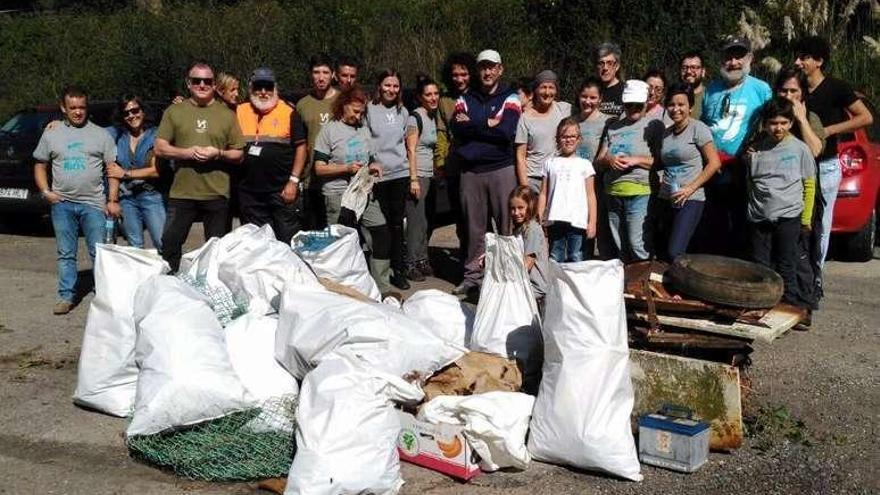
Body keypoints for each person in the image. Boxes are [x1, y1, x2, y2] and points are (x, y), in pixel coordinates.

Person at [33, 85, 121, 314]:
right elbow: (40, 165)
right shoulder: (51, 132)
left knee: (99, 252)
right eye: (72, 107)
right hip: (62, 204)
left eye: (82, 107)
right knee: (66, 253)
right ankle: (66, 296)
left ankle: (105, 295)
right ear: (63, 108)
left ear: (86, 107)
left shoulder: (102, 135)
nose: (78, 112)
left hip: (93, 204)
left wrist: (112, 199)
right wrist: (46, 192)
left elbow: (112, 169)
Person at [154, 62, 245, 272]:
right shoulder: (174, 111)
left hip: (216, 193)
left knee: (216, 251)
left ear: (214, 85)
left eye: (207, 81)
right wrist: (185, 152)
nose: (202, 85)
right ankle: (169, 288)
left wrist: (218, 153)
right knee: (170, 243)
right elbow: (160, 147)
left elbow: (239, 154)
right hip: (182, 193)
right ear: (188, 83)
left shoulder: (227, 114)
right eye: (197, 80)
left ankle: (212, 291)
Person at [794, 35, 874, 276]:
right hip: (797, 165)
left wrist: (829, 130)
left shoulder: (837, 87)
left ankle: (814, 275)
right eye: (797, 57)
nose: (798, 62)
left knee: (820, 223)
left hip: (826, 165)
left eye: (804, 57)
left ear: (819, 61)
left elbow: (865, 117)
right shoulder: (797, 87)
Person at [450, 49, 522, 296]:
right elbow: (458, 130)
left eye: (492, 67)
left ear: (500, 69)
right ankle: (472, 277)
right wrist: (488, 124)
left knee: (506, 226)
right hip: (471, 172)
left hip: (502, 169)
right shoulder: (465, 98)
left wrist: (474, 125)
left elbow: (506, 132)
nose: (487, 72)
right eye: (483, 68)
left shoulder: (510, 98)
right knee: (474, 228)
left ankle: (506, 276)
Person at [312, 86, 393, 295]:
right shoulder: (329, 130)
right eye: (355, 111)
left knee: (381, 233)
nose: (358, 116)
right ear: (343, 106)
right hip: (338, 193)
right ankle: (340, 288)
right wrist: (346, 168)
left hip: (363, 192)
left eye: (361, 112)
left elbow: (370, 157)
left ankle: (382, 287)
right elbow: (319, 168)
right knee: (341, 243)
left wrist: (375, 166)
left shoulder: (363, 129)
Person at [700, 36, 772, 256]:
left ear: (749, 58)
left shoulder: (761, 89)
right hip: (712, 167)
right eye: (728, 57)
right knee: (714, 224)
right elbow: (704, 125)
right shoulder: (711, 90)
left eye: (739, 56)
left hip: (741, 168)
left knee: (739, 225)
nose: (733, 62)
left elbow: (772, 122)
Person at [745, 98, 817, 311]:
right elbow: (751, 183)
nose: (778, 128)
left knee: (786, 264)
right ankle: (762, 307)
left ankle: (789, 307)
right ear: (765, 124)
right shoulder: (756, 150)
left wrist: (806, 218)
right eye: (773, 123)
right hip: (759, 217)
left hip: (789, 217)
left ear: (791, 123)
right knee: (760, 266)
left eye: (783, 123)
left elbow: (809, 184)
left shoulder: (800, 149)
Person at [774, 67, 827, 316]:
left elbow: (816, 149)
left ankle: (804, 304)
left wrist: (802, 119)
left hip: (803, 196)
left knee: (801, 253)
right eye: (783, 90)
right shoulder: (769, 117)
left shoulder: (811, 118)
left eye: (793, 91)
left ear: (802, 94)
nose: (788, 95)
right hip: (775, 198)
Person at [594, 79, 664, 262]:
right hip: (613, 191)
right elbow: (599, 160)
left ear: (646, 103)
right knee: (620, 244)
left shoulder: (654, 126)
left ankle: (645, 280)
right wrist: (609, 159)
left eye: (637, 105)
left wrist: (636, 160)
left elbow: (662, 161)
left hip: (641, 191)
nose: (633, 108)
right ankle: (627, 282)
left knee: (638, 243)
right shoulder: (613, 127)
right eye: (628, 104)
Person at [236, 67, 307, 244]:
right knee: (257, 245)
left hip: (281, 192)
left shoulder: (289, 112)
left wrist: (293, 181)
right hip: (250, 195)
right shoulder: (239, 111)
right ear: (251, 88)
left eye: (267, 87)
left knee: (287, 242)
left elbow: (301, 148)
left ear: (275, 88)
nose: (263, 92)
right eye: (258, 87)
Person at [656, 83, 722, 261]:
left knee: (675, 251)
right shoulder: (666, 133)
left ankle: (683, 287)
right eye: (671, 104)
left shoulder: (698, 128)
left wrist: (690, 188)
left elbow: (714, 163)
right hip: (668, 197)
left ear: (690, 107)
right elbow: (663, 163)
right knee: (663, 249)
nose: (675, 109)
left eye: (681, 104)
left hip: (691, 198)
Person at [367, 69, 412, 290]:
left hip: (400, 175)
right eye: (387, 85)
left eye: (395, 86)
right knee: (379, 228)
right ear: (379, 86)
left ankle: (399, 269)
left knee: (397, 226)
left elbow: (407, 142)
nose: (391, 90)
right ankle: (377, 271)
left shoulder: (402, 111)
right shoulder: (368, 109)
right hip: (378, 177)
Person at [105, 95, 165, 250]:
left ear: (143, 111)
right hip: (127, 198)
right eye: (126, 113)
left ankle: (172, 272)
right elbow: (89, 131)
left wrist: (125, 173)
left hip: (151, 195)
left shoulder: (156, 135)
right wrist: (59, 123)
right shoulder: (117, 136)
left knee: (162, 241)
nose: (131, 115)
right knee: (134, 246)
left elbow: (156, 171)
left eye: (135, 110)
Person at [537, 117, 597, 262]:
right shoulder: (550, 163)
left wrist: (592, 222)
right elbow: (543, 193)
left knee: (576, 256)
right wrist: (538, 218)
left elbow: (591, 195)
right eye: (564, 136)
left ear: (579, 139)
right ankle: (555, 284)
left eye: (572, 136)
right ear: (557, 139)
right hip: (555, 219)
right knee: (554, 256)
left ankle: (574, 284)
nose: (568, 140)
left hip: (577, 221)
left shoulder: (585, 164)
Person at [438, 52, 477, 262]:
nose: (459, 78)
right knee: (460, 216)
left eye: (464, 74)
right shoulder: (444, 101)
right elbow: (441, 132)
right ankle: (465, 260)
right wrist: (441, 163)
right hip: (454, 163)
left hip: (477, 163)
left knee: (478, 218)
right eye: (455, 74)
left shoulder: (480, 95)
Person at [297, 54, 341, 230]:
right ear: (310, 74)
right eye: (316, 72)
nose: (321, 77)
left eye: (325, 72)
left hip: (339, 180)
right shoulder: (302, 105)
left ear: (333, 75)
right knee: (314, 234)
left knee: (339, 233)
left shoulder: (343, 100)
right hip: (311, 181)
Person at [404, 75, 441, 282]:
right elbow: (411, 150)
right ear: (420, 97)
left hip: (430, 175)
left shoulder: (432, 116)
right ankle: (410, 262)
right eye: (428, 94)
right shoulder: (415, 117)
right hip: (418, 176)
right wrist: (413, 179)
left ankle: (421, 259)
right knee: (415, 222)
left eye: (436, 93)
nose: (433, 97)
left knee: (426, 221)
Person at [575, 77, 615, 259]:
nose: (588, 102)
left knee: (602, 230)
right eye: (584, 96)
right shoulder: (571, 121)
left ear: (600, 99)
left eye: (593, 98)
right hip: (575, 185)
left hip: (598, 185)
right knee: (580, 231)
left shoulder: (608, 122)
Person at [515, 70, 573, 193]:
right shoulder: (525, 118)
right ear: (535, 90)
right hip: (533, 180)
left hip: (558, 177)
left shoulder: (564, 109)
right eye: (543, 87)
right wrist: (525, 188)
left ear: (556, 90)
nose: (547, 92)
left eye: (551, 87)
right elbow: (520, 156)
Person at [509, 185, 549, 300]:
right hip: (523, 281)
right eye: (513, 208)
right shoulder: (519, 228)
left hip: (535, 286)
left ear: (530, 206)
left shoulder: (532, 230)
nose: (516, 213)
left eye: (520, 208)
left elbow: (527, 263)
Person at [595, 42, 625, 117]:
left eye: (609, 63)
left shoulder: (626, 91)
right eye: (601, 63)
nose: (605, 68)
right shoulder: (590, 92)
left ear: (617, 66)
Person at [679, 51, 707, 119]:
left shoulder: (710, 97)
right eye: (684, 68)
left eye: (694, 67)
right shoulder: (672, 96)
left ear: (703, 72)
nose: (688, 71)